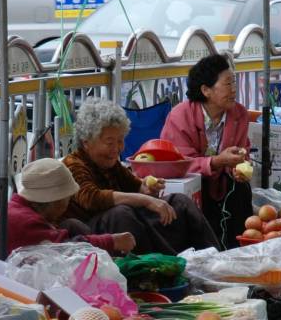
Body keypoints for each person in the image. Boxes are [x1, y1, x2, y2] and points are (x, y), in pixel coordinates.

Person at [63, 98, 219, 255]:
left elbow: (135, 186)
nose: (117, 149)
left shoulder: (111, 165)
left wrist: (146, 189)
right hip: (93, 236)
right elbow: (92, 198)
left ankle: (214, 257)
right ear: (86, 143)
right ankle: (162, 265)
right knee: (121, 214)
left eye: (120, 141)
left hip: (124, 221)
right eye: (109, 143)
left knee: (179, 202)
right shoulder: (73, 164)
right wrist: (146, 200)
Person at [160, 54, 253, 249]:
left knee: (241, 190)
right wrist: (216, 162)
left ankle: (239, 249)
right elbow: (179, 163)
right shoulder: (180, 116)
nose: (234, 89)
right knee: (199, 190)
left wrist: (240, 166)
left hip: (224, 182)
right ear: (206, 90)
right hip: (194, 182)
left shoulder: (239, 114)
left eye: (234, 82)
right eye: (227, 84)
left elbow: (244, 150)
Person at [0, 159, 136, 258]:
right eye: (67, 198)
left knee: (71, 225)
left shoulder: (19, 208)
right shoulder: (26, 222)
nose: (68, 204)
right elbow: (66, 247)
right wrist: (112, 241)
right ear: (56, 201)